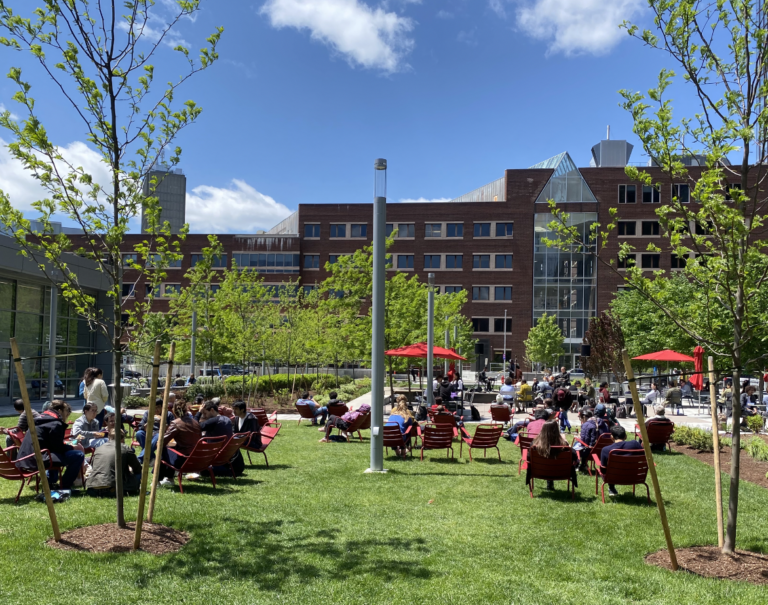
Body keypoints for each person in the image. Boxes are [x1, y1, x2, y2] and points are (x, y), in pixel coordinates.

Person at [15, 400, 84, 490]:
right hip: (39, 459)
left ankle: (50, 481)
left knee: (54, 454)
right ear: (59, 411)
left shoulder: (41, 418)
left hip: (27, 458)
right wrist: (71, 447)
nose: (67, 416)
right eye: (66, 412)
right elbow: (59, 448)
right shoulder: (55, 423)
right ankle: (65, 485)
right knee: (78, 455)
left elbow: (53, 445)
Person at [86, 428, 143, 497]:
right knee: (138, 475)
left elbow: (93, 466)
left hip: (92, 489)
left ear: (109, 437)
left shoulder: (99, 448)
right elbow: (137, 468)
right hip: (113, 489)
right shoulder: (124, 447)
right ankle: (137, 488)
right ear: (122, 438)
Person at [158, 400, 203, 484]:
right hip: (198, 460)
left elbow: (162, 442)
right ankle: (168, 478)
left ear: (174, 411)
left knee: (163, 449)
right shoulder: (196, 423)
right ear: (186, 410)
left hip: (184, 461)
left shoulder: (176, 423)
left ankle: (159, 480)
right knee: (171, 449)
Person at [527, 420, 577, 490]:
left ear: (543, 429)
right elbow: (574, 456)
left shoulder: (535, 445)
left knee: (548, 459)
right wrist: (567, 444)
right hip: (561, 472)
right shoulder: (564, 446)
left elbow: (528, 458)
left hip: (540, 471)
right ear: (556, 430)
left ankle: (549, 483)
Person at [598, 425, 643, 497]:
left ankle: (612, 488)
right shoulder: (635, 444)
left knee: (609, 469)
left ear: (612, 437)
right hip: (634, 476)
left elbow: (603, 469)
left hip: (613, 477)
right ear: (625, 436)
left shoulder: (606, 450)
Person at [135, 398, 176, 464]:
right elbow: (142, 427)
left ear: (162, 407)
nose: (156, 410)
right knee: (139, 433)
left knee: (159, 435)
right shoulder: (148, 413)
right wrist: (149, 422)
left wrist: (162, 421)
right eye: (154, 407)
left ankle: (140, 459)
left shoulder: (168, 414)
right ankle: (151, 456)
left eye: (158, 407)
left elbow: (170, 430)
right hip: (149, 433)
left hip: (161, 434)